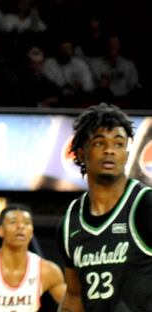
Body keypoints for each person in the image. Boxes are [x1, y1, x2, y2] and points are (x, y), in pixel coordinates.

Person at [57, 103, 152, 311]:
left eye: (119, 144)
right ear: (81, 154)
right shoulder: (71, 221)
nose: (110, 150)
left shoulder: (145, 204)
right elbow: (73, 297)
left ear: (126, 156)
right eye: (100, 143)